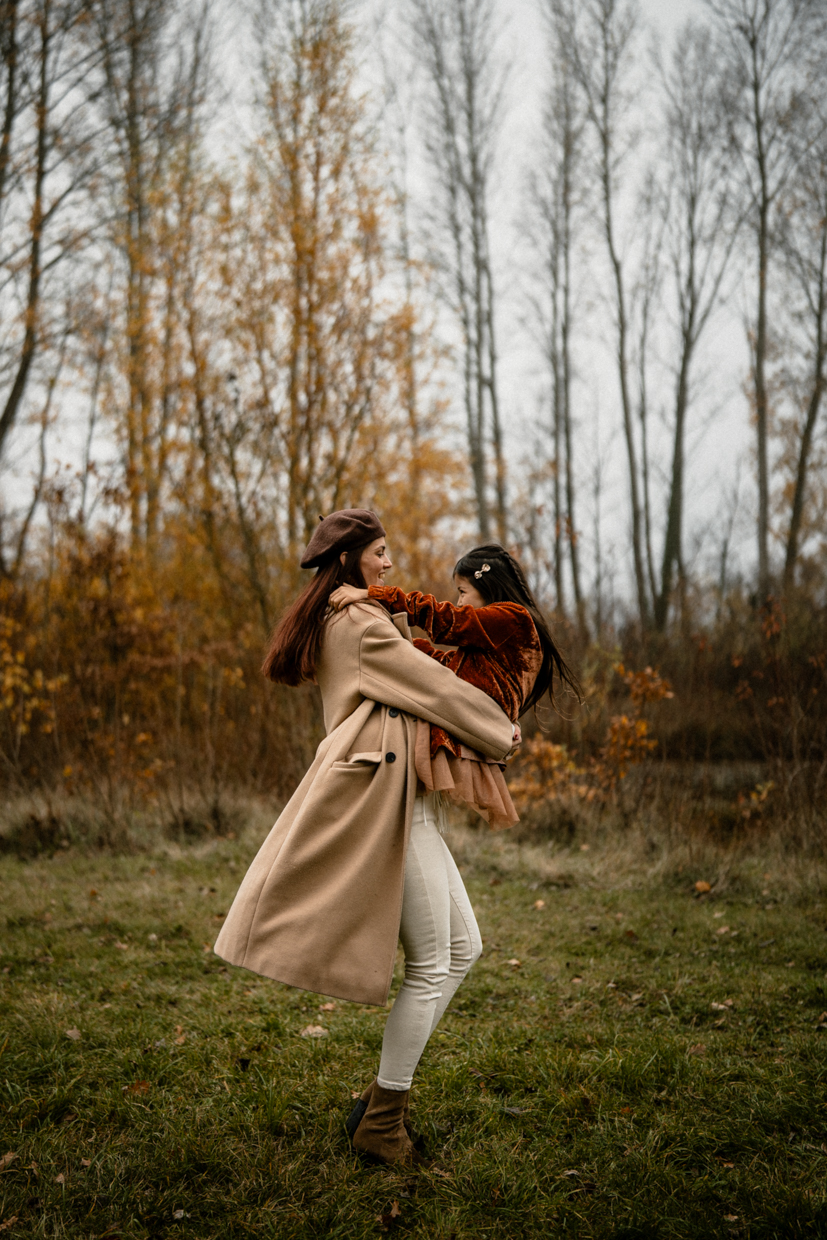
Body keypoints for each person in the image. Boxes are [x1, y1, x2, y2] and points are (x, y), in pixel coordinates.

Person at [213, 510, 517, 1167]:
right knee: (436, 961)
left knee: (463, 947)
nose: (387, 563)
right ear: (349, 558)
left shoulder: (356, 615)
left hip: (399, 793)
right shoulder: (355, 624)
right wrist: (499, 729)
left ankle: (381, 1097)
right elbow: (431, 686)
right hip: (385, 803)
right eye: (379, 552)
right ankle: (382, 1123)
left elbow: (422, 674)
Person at [330, 543, 579, 830]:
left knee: (415, 819)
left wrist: (374, 595)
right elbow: (450, 668)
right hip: (468, 721)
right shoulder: (492, 641)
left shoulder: (513, 618)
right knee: (420, 819)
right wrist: (403, 645)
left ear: (487, 585)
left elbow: (448, 620)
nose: (459, 602)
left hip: (472, 721)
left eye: (463, 592)